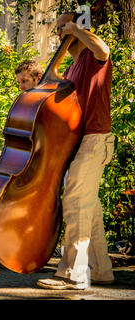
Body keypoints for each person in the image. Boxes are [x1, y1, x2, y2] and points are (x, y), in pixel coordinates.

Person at [37, 12, 115, 290]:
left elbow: (103, 49)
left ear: (80, 26)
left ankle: (73, 273)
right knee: (89, 209)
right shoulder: (70, 70)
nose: (61, 32)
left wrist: (77, 29)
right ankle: (101, 269)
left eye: (64, 26)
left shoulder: (92, 57)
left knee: (75, 203)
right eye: (58, 28)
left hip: (94, 139)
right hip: (78, 142)